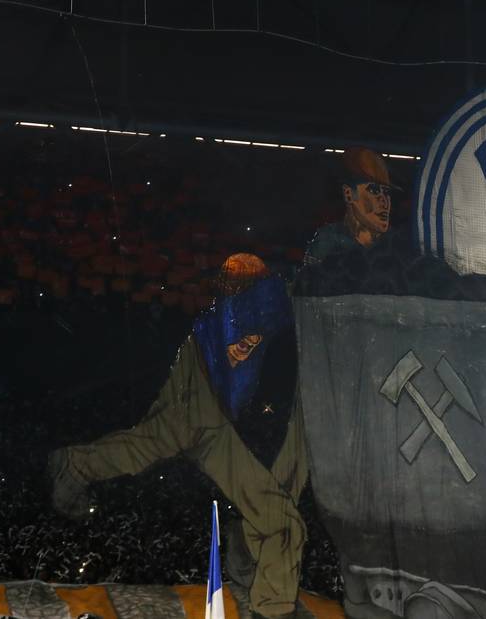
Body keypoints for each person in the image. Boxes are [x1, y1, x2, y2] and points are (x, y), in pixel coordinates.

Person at [47, 253, 307, 619]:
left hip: (207, 405)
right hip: (203, 397)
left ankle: (75, 466)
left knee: (153, 443)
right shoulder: (261, 303)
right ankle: (272, 600)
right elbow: (282, 295)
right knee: (274, 515)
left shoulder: (227, 315)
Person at [303, 147, 398, 265]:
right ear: (348, 194)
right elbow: (310, 280)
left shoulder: (395, 244)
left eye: (387, 192)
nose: (384, 202)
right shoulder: (329, 240)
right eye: (374, 191)